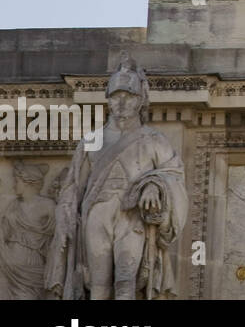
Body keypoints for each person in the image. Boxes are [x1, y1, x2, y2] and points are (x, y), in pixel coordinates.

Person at [46, 56, 188, 300]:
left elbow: (173, 174)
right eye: (116, 95)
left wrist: (155, 185)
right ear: (108, 99)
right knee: (98, 285)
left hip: (131, 216)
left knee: (126, 282)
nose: (122, 102)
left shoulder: (153, 140)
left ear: (140, 100)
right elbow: (73, 187)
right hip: (96, 214)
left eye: (129, 96)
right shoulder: (92, 141)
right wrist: (65, 218)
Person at [0, 161, 55, 299]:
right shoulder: (13, 206)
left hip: (33, 268)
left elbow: (57, 239)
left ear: (28, 182)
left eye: (17, 181)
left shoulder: (48, 206)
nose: (13, 185)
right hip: (7, 267)